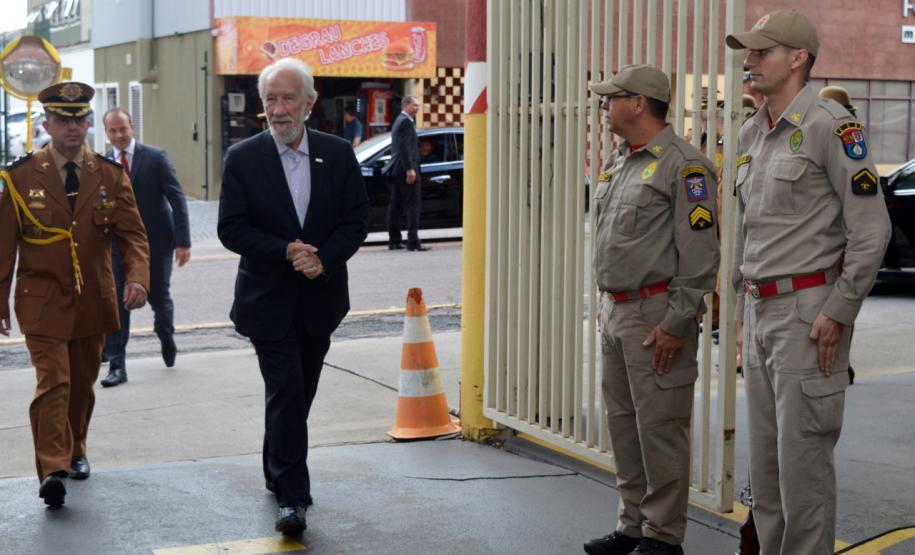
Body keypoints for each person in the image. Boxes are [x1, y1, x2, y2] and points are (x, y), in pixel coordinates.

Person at [726, 10, 891, 554]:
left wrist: (839, 310)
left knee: (803, 470)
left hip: (807, 315)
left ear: (797, 59)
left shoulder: (829, 126)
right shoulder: (753, 131)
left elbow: (871, 230)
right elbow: (749, 234)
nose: (748, 61)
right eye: (747, 52)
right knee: (768, 472)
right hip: (760, 312)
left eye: (761, 52)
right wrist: (739, 320)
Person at [217, 58, 368, 535]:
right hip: (267, 302)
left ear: (309, 102)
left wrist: (322, 258)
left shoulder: (338, 153)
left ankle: (275, 465)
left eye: (287, 99)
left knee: (298, 396)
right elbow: (230, 229)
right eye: (270, 100)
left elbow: (355, 222)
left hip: (321, 300)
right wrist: (286, 251)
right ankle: (292, 498)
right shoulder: (243, 158)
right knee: (287, 390)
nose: (278, 110)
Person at [584, 64, 720, 555]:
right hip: (617, 312)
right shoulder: (622, 160)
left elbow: (701, 255)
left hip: (657, 315)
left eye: (611, 97)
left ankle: (664, 537)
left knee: (661, 428)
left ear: (638, 103)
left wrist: (676, 323)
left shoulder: (685, 166)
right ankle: (633, 527)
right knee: (624, 425)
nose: (604, 106)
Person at [0, 82, 150, 507]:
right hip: (40, 299)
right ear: (46, 123)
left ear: (88, 122)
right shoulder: (20, 176)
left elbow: (133, 234)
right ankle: (52, 468)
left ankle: (76, 447)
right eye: (62, 120)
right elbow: (3, 246)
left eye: (79, 119)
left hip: (93, 298)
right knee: (55, 382)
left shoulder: (109, 173)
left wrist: (138, 277)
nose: (72, 127)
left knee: (82, 386)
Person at [100, 107, 191, 387]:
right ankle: (117, 365)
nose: (118, 135)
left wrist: (183, 242)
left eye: (123, 129)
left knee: (159, 299)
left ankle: (165, 333)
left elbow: (177, 199)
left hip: (157, 243)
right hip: (118, 246)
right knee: (118, 303)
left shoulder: (155, 157)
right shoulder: (101, 164)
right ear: (106, 133)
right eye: (113, 130)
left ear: (132, 128)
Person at [383, 95, 428, 251]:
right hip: (405, 171)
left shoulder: (399, 121)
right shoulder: (405, 122)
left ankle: (394, 241)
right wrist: (410, 169)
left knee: (395, 206)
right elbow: (405, 148)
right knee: (413, 206)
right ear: (406, 105)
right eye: (415, 105)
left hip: (398, 170)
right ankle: (413, 242)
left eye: (418, 106)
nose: (417, 109)